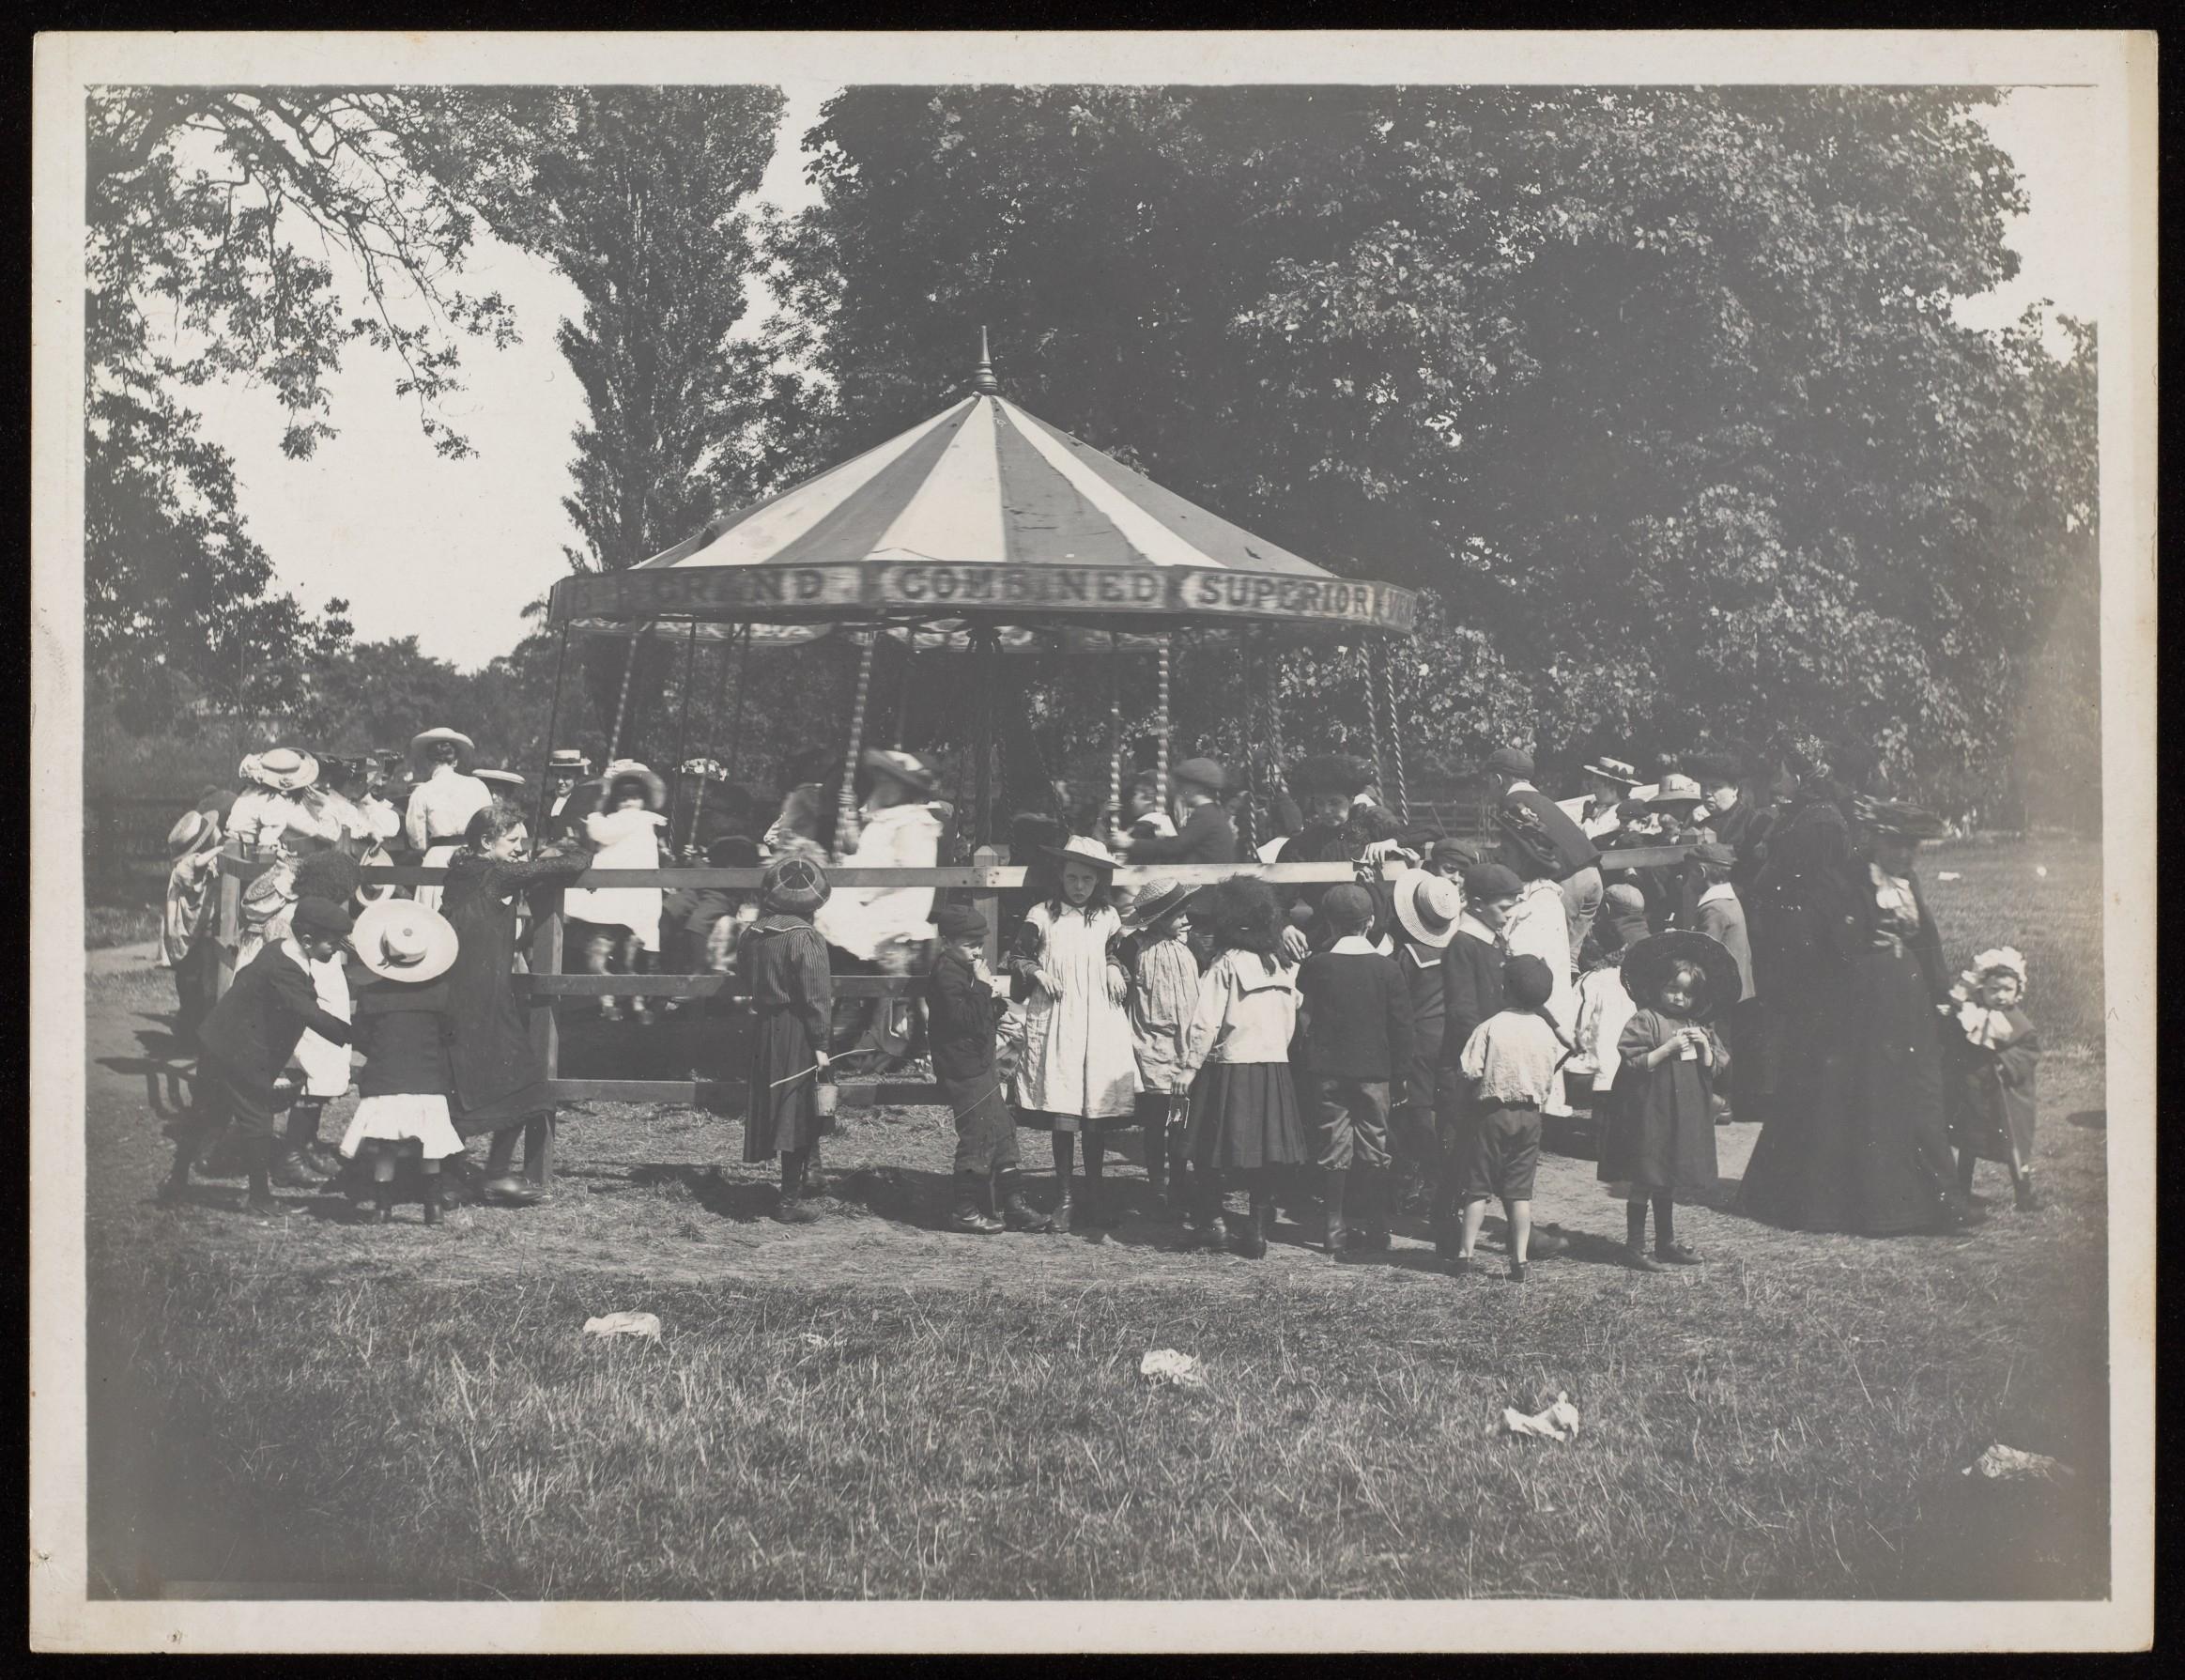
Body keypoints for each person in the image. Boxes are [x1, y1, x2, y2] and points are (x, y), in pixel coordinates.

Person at [1740, 797, 1983, 1236]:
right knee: (1861, 1099)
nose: (1904, 855)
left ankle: (1938, 1198)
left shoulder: (1909, 884)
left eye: (1912, 847)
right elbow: (1808, 941)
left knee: (1920, 1096)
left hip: (1907, 1009)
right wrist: (1854, 945)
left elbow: (1928, 943)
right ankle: (1865, 1205)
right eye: (1896, 844)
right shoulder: (1841, 881)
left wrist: (1943, 996)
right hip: (1854, 1011)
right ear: (1874, 840)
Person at [161, 896, 356, 1215]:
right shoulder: (288, 970)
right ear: (308, 940)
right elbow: (309, 1012)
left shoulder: (278, 948)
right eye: (331, 945)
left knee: (206, 1113)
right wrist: (352, 1034)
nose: (334, 950)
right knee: (258, 1122)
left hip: (217, 1041)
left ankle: (177, 1180)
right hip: (240, 1054)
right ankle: (259, 1198)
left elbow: (244, 980)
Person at [440, 798, 591, 1204]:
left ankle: (451, 1175)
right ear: (487, 840)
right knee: (526, 1084)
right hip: (481, 996)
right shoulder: (495, 876)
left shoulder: (461, 871)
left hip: (456, 992)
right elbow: (568, 865)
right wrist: (573, 846)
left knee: (456, 1085)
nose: (520, 848)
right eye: (513, 840)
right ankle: (492, 1175)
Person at [1008, 836, 1137, 1234]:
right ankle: (1064, 1196)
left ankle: (1094, 1196)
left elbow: (1113, 952)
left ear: (1098, 881)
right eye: (1072, 877)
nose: (1078, 886)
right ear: (1061, 876)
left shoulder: (1107, 917)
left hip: (1099, 1016)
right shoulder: (1042, 915)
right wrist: (1037, 973)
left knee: (1093, 1105)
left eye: (1087, 879)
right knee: (1064, 1102)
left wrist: (1115, 967)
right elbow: (1018, 956)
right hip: (1059, 1013)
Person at [1175, 876, 1305, 1258]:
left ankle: (1213, 1223)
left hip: (1231, 1066)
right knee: (1264, 1154)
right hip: (1272, 1067)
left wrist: (1189, 1066)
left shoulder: (1225, 964)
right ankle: (1257, 1230)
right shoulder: (1281, 965)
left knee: (1210, 1146)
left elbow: (1205, 1021)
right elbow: (1289, 1018)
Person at [1601, 931, 1737, 1271]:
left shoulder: (1698, 1025)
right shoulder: (1647, 1020)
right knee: (1647, 1174)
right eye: (1672, 989)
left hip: (1683, 1113)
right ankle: (1635, 1246)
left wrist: (1705, 1048)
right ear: (1658, 986)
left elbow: (1715, 1067)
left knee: (1668, 1176)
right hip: (1651, 1110)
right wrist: (1667, 1049)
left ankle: (1666, 1242)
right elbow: (1633, 1061)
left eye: (1687, 993)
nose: (1678, 999)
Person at [1297, 885, 1413, 1259]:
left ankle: (1334, 1226)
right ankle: (1376, 1225)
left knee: (1334, 1142)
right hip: (1375, 1072)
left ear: (1329, 923)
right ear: (1371, 922)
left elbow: (1305, 1016)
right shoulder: (1388, 970)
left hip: (1328, 1070)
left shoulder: (1317, 964)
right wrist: (1402, 1074)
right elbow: (1401, 1028)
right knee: (1374, 1144)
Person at [337, 901, 465, 1225]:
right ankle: (433, 1208)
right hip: (426, 1080)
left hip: (385, 1080)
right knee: (430, 1144)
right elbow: (451, 1033)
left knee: (386, 1146)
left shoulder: (372, 995)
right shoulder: (442, 993)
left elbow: (362, 1038)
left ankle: (382, 1208)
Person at [927, 902, 1047, 1234]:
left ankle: (1014, 1204)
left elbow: (977, 1016)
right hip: (962, 1068)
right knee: (978, 1132)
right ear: (947, 943)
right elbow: (961, 1020)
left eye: (979, 944)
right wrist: (981, 986)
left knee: (1003, 1127)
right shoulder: (946, 974)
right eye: (969, 944)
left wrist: (992, 1003)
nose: (977, 951)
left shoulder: (962, 969)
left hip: (979, 1063)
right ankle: (964, 1209)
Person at [816, 748, 945, 1060]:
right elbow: (860, 856)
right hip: (871, 898)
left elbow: (908, 872)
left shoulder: (913, 823)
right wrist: (848, 829)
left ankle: (861, 1018)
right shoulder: (881, 820)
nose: (877, 787)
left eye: (886, 781)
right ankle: (846, 1016)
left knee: (833, 920)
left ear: (902, 787)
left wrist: (861, 886)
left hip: (897, 906)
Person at [1448, 954, 1569, 1282]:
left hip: (1491, 1115)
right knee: (1518, 1192)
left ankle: (1465, 1255)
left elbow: (1469, 1069)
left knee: (1477, 1189)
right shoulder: (1545, 1031)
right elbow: (1546, 1078)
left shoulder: (1490, 1026)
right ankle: (1520, 1261)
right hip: (1530, 1117)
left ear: (1506, 990)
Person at [740, 857, 836, 1223]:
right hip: (797, 1028)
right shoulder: (805, 938)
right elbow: (815, 997)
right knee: (797, 1107)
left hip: (766, 1027)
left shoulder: (753, 934)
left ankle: (811, 1174)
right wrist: (822, 1043)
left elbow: (741, 976)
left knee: (788, 1105)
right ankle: (788, 1200)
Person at [1434, 861, 1516, 1262]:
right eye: (1504, 907)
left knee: (1486, 1147)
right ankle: (1448, 1235)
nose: (1509, 914)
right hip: (1468, 1064)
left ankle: (1509, 1227)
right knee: (1459, 1151)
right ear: (1479, 905)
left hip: (1491, 1056)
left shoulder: (1493, 939)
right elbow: (1463, 1011)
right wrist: (1490, 1049)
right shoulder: (1465, 945)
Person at [1116, 878, 1201, 1215]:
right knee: (1156, 1120)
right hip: (1151, 1043)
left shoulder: (1189, 947)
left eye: (1185, 912)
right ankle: (1157, 1185)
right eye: (1177, 915)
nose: (1185, 919)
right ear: (1158, 918)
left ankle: (1179, 1183)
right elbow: (1115, 968)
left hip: (1185, 1043)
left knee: (1181, 1120)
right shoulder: (1134, 947)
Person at [280, 847, 364, 1185]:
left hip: (328, 995)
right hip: (310, 997)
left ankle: (309, 1143)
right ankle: (292, 1154)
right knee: (310, 1074)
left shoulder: (322, 911)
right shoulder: (302, 915)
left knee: (325, 1071)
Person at [562, 763, 669, 1022]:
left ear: (643, 800)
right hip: (632, 899)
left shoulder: (630, 819)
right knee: (625, 959)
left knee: (603, 955)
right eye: (623, 799)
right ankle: (633, 1003)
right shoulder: (648, 823)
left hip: (619, 898)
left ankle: (614, 1000)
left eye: (634, 798)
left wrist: (597, 814)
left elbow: (601, 832)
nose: (629, 804)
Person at [1385, 865, 1464, 1217]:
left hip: (1419, 1038)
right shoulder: (1456, 950)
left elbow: (1397, 1003)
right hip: (1450, 1035)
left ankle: (1420, 1175)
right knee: (1447, 1106)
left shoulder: (1407, 956)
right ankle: (1446, 1178)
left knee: (1417, 1108)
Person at [1485, 746, 1601, 969]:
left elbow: (1521, 856)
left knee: (1549, 957)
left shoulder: (1512, 803)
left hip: (1567, 881)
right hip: (1592, 875)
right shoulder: (1542, 800)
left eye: (1489, 781)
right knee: (1568, 958)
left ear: (1498, 779)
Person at [1947, 948, 2044, 1212]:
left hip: (2008, 1094)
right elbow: (1960, 1045)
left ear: (2017, 990)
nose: (2001, 996)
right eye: (1994, 989)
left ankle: (2023, 1193)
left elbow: (2029, 1052)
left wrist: (2005, 1062)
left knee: (2014, 1140)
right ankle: (1962, 1188)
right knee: (1970, 1137)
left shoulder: (2021, 1024)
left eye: (2007, 990)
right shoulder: (1972, 1017)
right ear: (1981, 988)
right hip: (1976, 1091)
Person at [1688, 840, 1758, 1124]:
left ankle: (1719, 1103)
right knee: (1725, 1042)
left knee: (1714, 1043)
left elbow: (1706, 951)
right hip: (1738, 985)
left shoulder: (1713, 908)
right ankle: (1724, 1101)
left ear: (1702, 872)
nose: (1688, 878)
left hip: (1719, 989)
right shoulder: (1730, 900)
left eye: (1692, 872)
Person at [1567, 891, 1645, 1122]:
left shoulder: (1589, 981)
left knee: (1603, 1107)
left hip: (1600, 1057)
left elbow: (1576, 1017)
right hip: (1628, 1056)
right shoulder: (1631, 979)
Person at [403, 729, 492, 913]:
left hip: (438, 860)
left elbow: (418, 841)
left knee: (435, 917)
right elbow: (491, 824)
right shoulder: (477, 786)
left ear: (429, 761)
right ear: (455, 760)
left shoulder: (422, 792)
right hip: (474, 857)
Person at [161, 809, 224, 1050]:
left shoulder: (201, 861)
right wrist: (220, 848)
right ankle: (193, 1029)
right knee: (194, 977)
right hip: (189, 929)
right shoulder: (189, 864)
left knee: (197, 976)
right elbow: (196, 864)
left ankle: (193, 1026)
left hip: (197, 927)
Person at [1109, 758, 1238, 865]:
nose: (1180, 790)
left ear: (1197, 788)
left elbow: (1175, 846)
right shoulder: (1211, 813)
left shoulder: (1205, 815)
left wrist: (1130, 843)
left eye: (1183, 785)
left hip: (1203, 885)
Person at [227, 747, 335, 856]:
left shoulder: (250, 790)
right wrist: (279, 853)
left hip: (228, 845)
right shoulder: (276, 803)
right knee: (287, 872)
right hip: (242, 855)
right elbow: (265, 847)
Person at [542, 748, 594, 844]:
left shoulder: (585, 804)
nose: (560, 781)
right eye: (557, 776)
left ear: (577, 778)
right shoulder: (543, 801)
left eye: (566, 777)